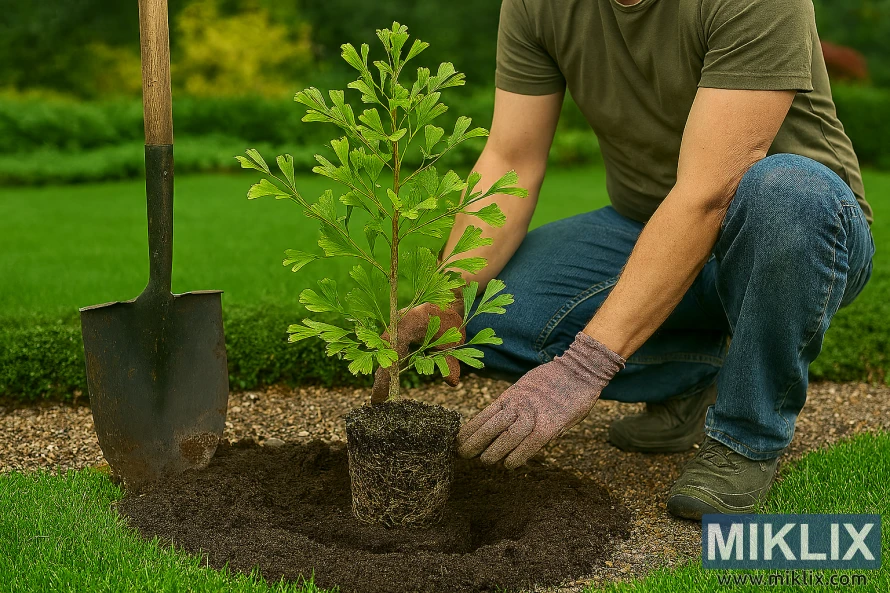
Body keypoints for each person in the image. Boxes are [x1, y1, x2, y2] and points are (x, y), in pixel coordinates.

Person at [372, 0, 875, 519]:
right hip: (643, 224)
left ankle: (746, 438)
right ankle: (692, 379)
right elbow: (511, 158)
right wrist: (447, 290)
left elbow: (710, 191)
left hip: (794, 233)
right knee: (489, 318)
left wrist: (581, 369)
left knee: (787, 192)